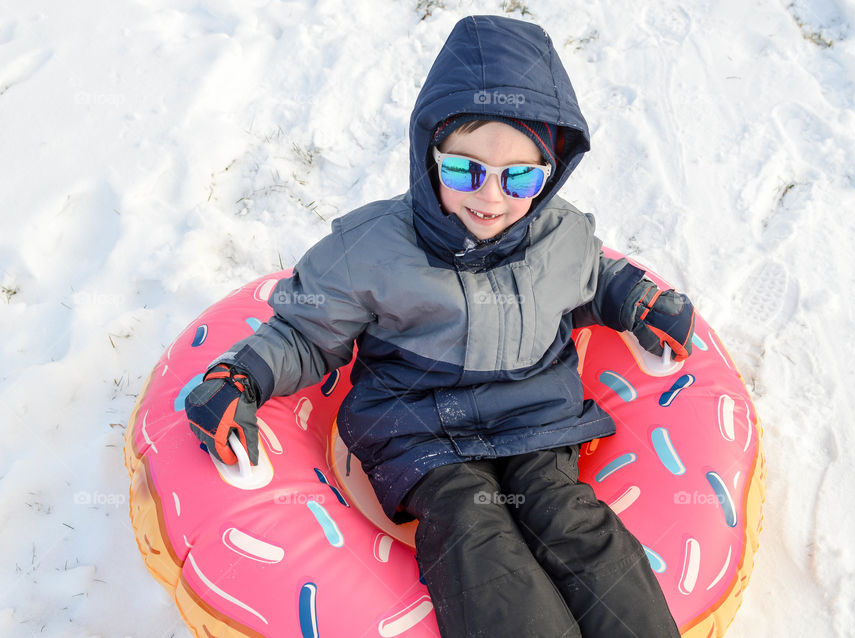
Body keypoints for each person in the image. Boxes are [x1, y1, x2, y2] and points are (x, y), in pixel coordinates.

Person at [185, 15, 693, 638]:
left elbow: (595, 282)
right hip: (422, 432)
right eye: (465, 170)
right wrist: (240, 376)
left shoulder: (562, 236)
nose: (491, 197)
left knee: (567, 517)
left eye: (521, 177)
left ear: (551, 172)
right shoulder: (373, 247)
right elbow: (304, 330)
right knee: (474, 525)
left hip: (536, 423)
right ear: (429, 154)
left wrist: (639, 301)